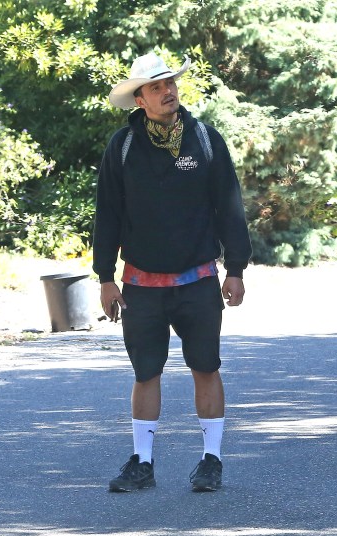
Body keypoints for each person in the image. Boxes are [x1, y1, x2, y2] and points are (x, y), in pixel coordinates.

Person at [93, 52, 252, 493]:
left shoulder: (204, 139)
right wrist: (105, 276)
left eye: (171, 84)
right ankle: (142, 463)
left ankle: (211, 460)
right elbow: (107, 212)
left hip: (198, 279)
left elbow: (229, 206)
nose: (168, 92)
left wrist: (235, 268)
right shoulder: (122, 146)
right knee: (146, 372)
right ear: (139, 99)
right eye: (157, 87)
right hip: (141, 283)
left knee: (205, 366)